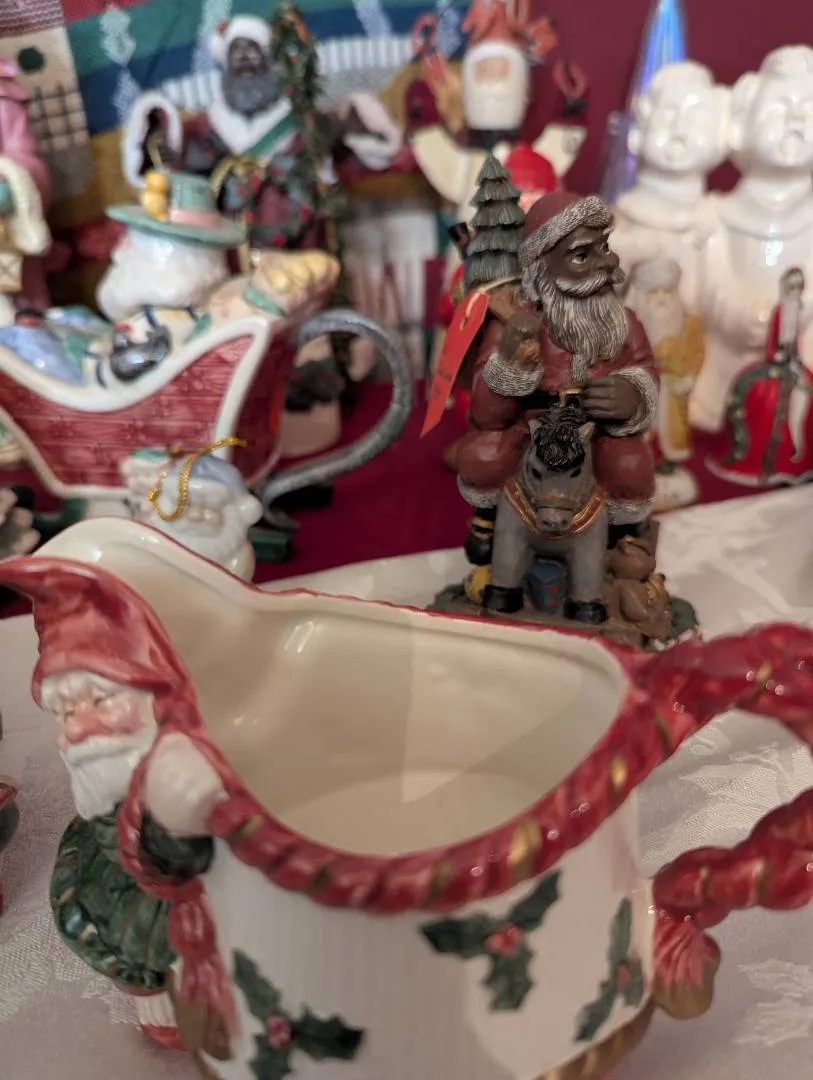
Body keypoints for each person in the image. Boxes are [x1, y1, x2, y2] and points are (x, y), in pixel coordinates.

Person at [0, 559, 219, 1051]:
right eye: (65, 713)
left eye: (100, 702)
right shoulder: (103, 796)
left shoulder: (185, 757)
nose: (77, 728)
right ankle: (159, 1006)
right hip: (125, 906)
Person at [454, 190, 658, 611]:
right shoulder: (515, 325)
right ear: (542, 268)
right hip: (527, 427)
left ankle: (622, 539)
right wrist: (512, 364)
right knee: (483, 455)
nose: (604, 263)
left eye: (604, 247)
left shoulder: (621, 322)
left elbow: (646, 368)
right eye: (582, 255)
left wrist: (632, 394)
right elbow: (485, 412)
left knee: (630, 463)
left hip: (596, 430)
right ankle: (488, 525)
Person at [691, 46, 813, 431]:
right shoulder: (708, 218)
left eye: (809, 108)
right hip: (712, 387)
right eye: (778, 106)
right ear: (740, 123)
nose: (796, 118)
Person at [611, 62, 730, 313]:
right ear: (637, 133)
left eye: (696, 118)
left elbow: (725, 300)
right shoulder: (618, 222)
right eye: (668, 116)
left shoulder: (718, 222)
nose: (680, 130)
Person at [709, 266, 813, 486]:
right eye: (791, 287)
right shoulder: (781, 311)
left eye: (799, 287)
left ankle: (798, 448)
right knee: (761, 392)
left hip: (793, 363)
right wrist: (778, 357)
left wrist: (794, 360)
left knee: (805, 389)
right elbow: (775, 342)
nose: (795, 291)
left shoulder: (798, 309)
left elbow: (794, 343)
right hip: (777, 362)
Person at [123, 448, 263, 581]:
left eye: (209, 507)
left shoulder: (237, 556)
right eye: (183, 506)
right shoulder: (153, 542)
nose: (195, 515)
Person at [627, 258, 704, 463]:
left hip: (675, 390)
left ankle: (669, 461)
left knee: (672, 429)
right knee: (645, 427)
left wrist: (690, 378)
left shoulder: (689, 324)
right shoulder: (632, 328)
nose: (661, 299)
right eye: (654, 292)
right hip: (644, 389)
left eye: (667, 291)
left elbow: (697, 353)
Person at [0, 58, 51, 319]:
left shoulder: (4, 98)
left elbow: (27, 161)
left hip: (7, 238)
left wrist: (9, 178)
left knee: (19, 314)